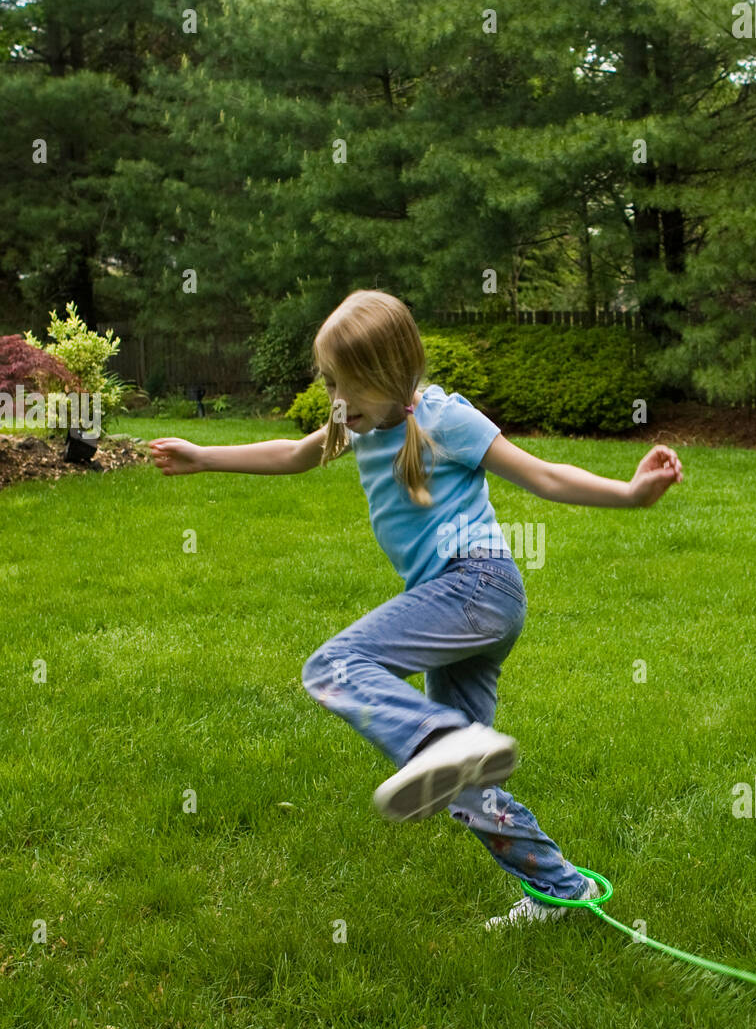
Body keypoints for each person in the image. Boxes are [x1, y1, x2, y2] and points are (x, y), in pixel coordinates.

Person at [148, 290, 683, 927]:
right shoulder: (354, 425)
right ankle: (559, 888)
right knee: (461, 786)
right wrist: (202, 457)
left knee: (334, 667)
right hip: (463, 608)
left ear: (386, 376)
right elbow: (294, 455)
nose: (336, 403)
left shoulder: (445, 419)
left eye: (344, 386)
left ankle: (446, 741)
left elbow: (542, 475)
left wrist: (629, 494)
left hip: (477, 585)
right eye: (331, 387)